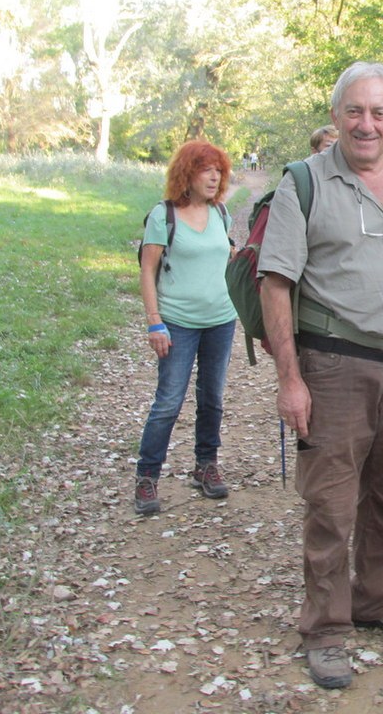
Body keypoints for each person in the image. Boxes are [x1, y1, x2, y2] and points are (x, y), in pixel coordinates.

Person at [258, 62, 383, 689]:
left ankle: (374, 600)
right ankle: (325, 628)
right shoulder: (304, 183)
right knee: (331, 506)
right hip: (333, 364)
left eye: (378, 113)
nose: (365, 124)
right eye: (354, 111)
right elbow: (275, 282)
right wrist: (290, 379)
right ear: (337, 114)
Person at [135, 140, 237, 515]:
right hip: (176, 322)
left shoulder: (221, 212)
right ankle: (147, 477)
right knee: (168, 402)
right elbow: (147, 270)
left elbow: (225, 257)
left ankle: (205, 465)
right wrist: (154, 322)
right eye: (205, 170)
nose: (213, 177)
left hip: (221, 320)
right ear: (186, 174)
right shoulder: (164, 215)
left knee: (212, 398)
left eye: (218, 171)